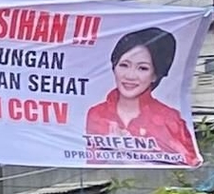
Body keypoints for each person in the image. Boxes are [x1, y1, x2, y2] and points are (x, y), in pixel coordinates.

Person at [83, 25, 201, 166]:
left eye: (142, 68)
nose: (130, 76)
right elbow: (92, 165)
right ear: (114, 67)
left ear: (155, 75)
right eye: (124, 65)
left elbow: (188, 165)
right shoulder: (97, 114)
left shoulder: (170, 119)